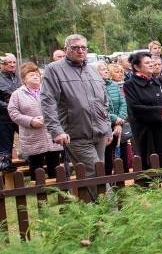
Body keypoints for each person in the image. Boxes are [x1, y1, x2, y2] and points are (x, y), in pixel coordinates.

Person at [40, 34, 112, 189]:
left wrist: (107, 128)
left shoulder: (92, 71)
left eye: (83, 47)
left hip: (99, 133)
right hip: (76, 135)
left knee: (97, 174)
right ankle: (111, 211)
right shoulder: (54, 70)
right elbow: (48, 102)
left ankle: (92, 211)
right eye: (75, 48)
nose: (80, 51)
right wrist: (56, 130)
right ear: (66, 50)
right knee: (95, 175)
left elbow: (104, 102)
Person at [7, 62, 62, 179]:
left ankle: (59, 191)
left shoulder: (49, 90)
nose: (36, 76)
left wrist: (48, 118)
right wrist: (30, 121)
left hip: (51, 134)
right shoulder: (17, 95)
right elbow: (13, 112)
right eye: (32, 75)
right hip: (32, 137)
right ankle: (40, 192)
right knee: (36, 168)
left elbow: (60, 107)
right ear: (24, 78)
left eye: (37, 74)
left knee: (55, 165)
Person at [123, 52, 162, 170]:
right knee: (151, 167)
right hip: (147, 133)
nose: (152, 65)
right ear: (137, 67)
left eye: (151, 62)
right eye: (147, 63)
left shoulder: (159, 81)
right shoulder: (130, 85)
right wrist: (161, 110)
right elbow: (134, 108)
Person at [96, 62, 128, 174]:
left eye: (105, 68)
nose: (105, 70)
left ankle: (125, 183)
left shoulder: (113, 85)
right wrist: (115, 119)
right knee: (107, 155)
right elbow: (98, 108)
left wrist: (119, 122)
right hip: (104, 126)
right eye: (101, 69)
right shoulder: (94, 86)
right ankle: (108, 185)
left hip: (119, 125)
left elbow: (123, 103)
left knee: (123, 154)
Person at [107, 63, 133, 169]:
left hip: (124, 121)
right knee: (111, 152)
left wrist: (121, 120)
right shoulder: (107, 87)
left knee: (123, 148)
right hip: (111, 122)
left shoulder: (125, 85)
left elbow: (125, 103)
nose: (120, 74)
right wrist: (116, 121)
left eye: (121, 72)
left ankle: (124, 172)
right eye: (116, 72)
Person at [0, 53, 18, 170]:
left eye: (14, 62)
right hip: (3, 117)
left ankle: (31, 159)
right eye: (8, 63)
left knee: (28, 139)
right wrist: (9, 107)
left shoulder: (18, 77)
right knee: (6, 145)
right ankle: (5, 163)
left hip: (20, 116)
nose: (12, 65)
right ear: (1, 65)